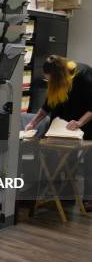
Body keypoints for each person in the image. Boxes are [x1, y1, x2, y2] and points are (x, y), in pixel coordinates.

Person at [25, 55, 92, 209]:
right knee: (63, 156)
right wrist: (33, 122)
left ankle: (89, 197)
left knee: (89, 159)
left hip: (86, 120)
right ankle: (66, 194)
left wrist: (80, 122)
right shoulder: (56, 81)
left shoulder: (84, 76)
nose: (50, 83)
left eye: (51, 80)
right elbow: (47, 105)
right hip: (64, 120)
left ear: (60, 76)